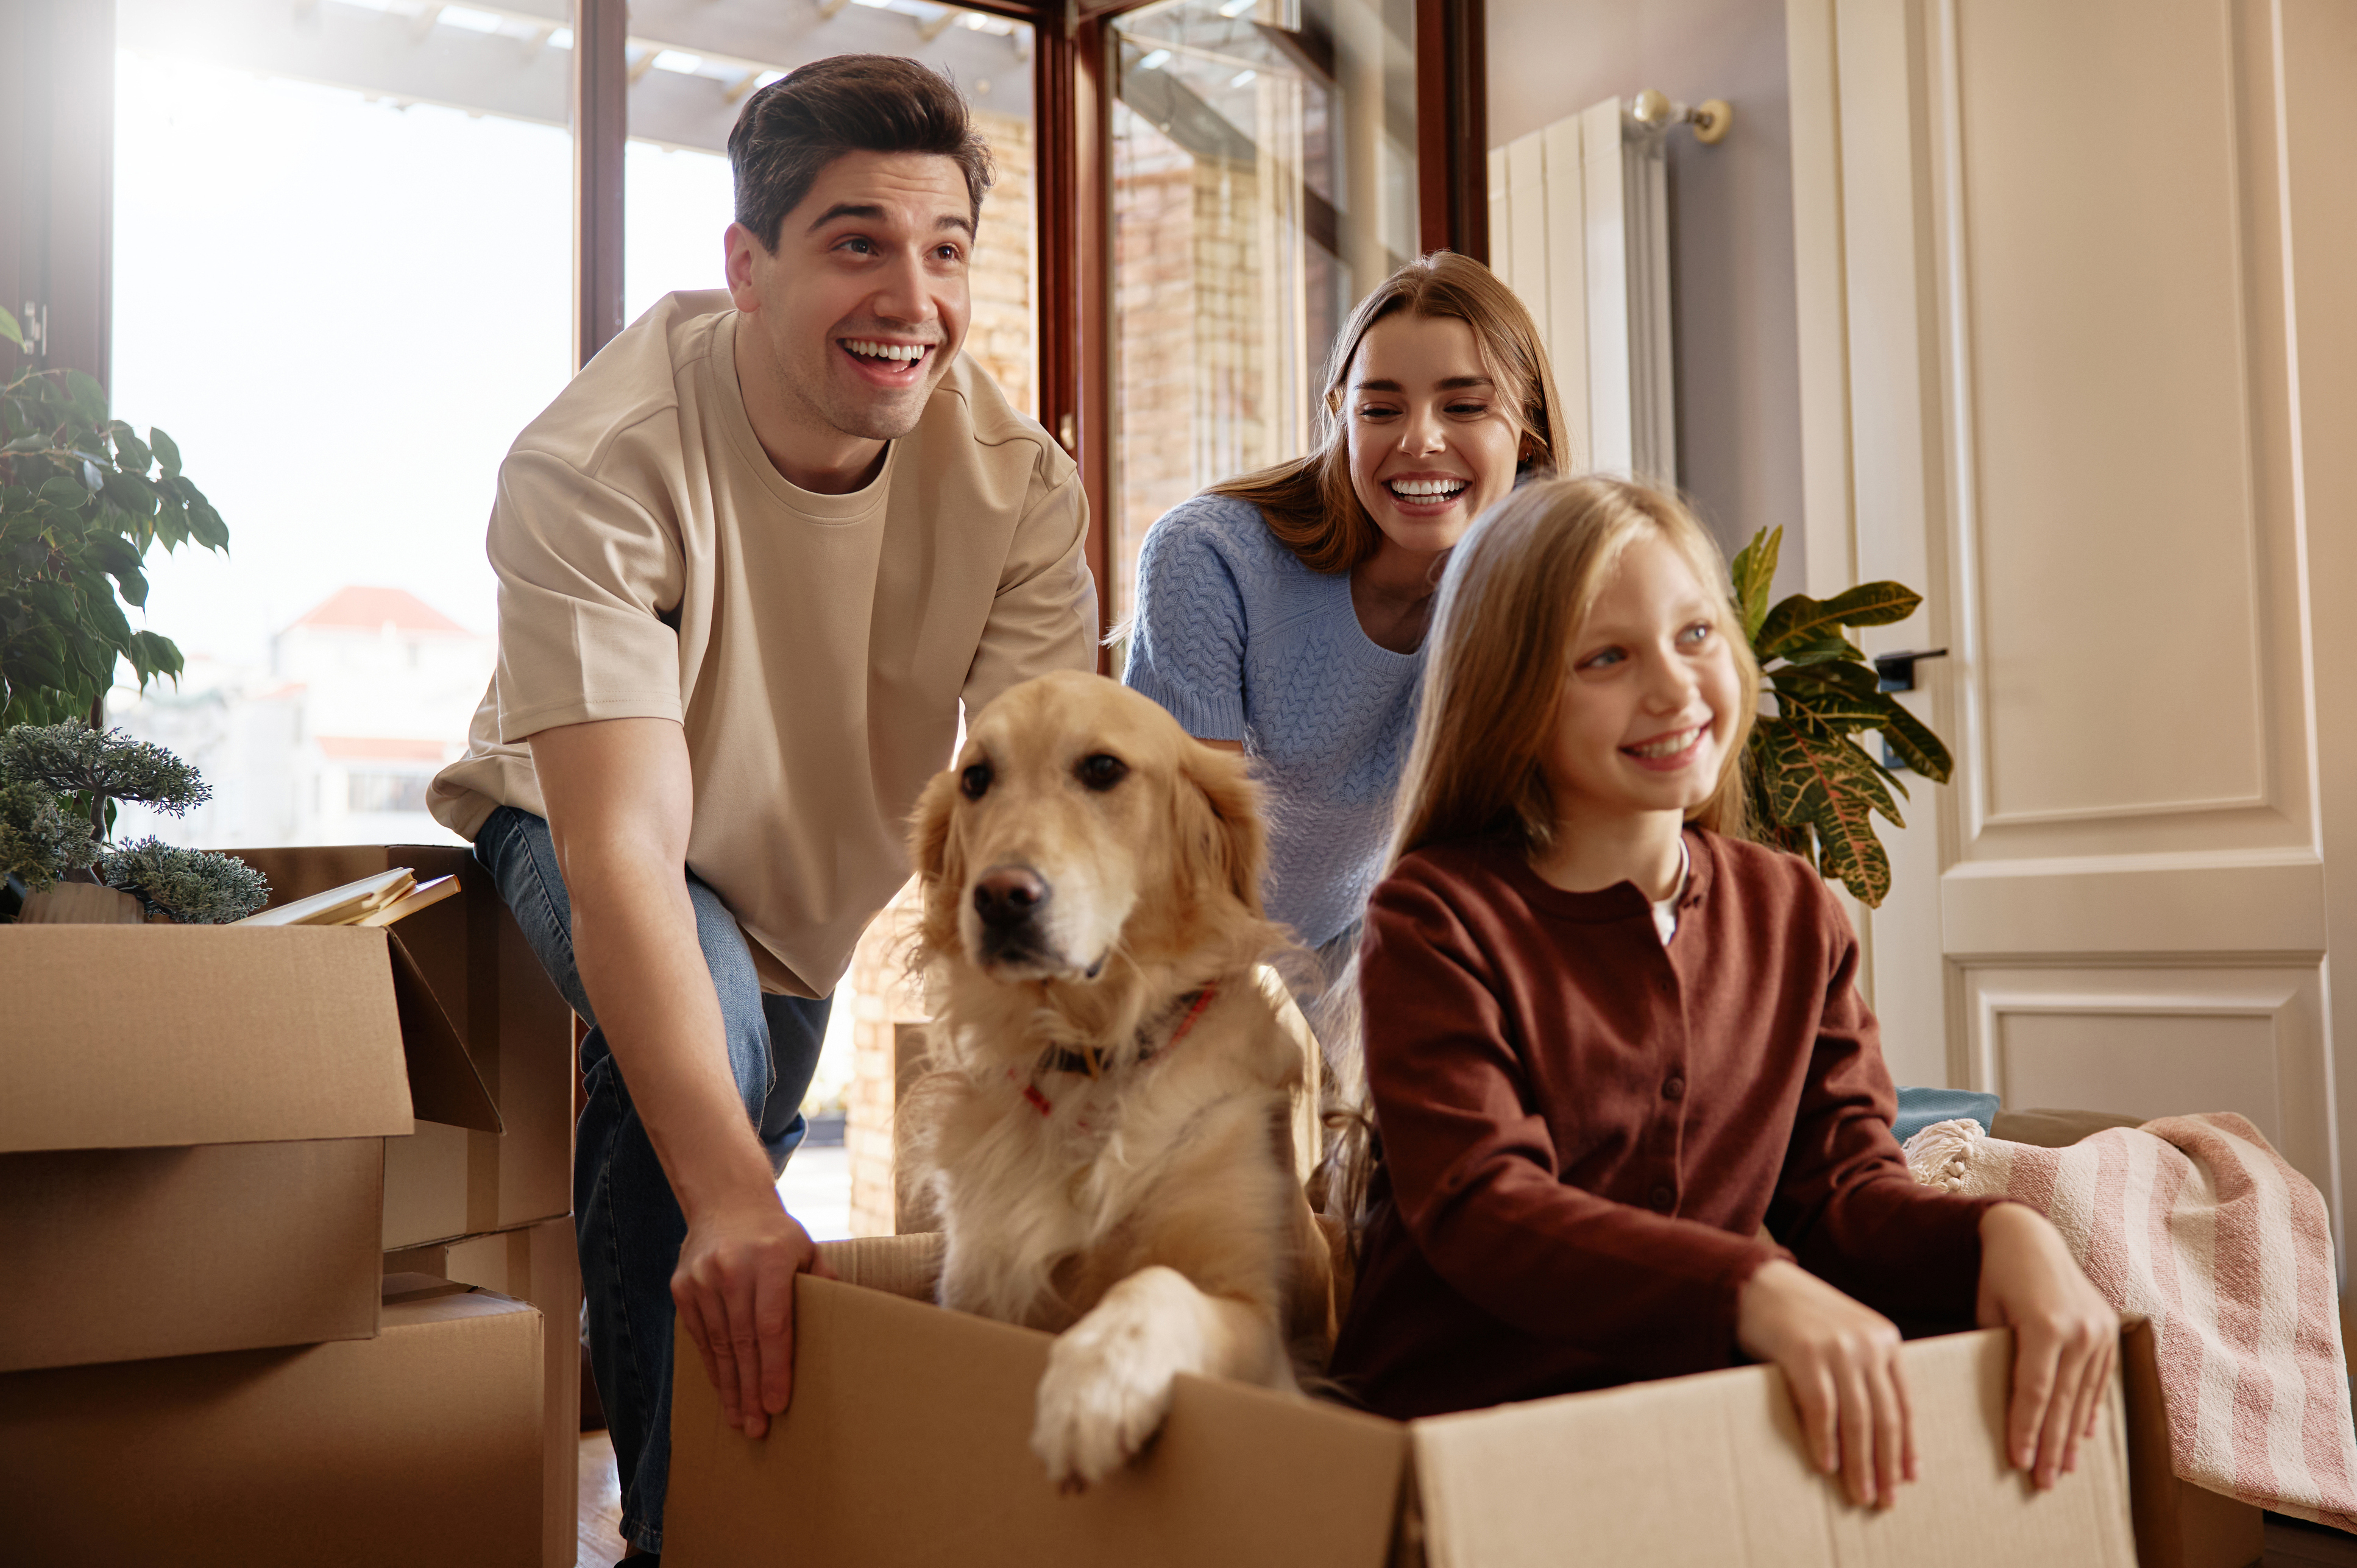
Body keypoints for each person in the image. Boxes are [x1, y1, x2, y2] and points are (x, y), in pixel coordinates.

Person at [426, 56, 1094, 1559]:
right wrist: (733, 1197)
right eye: (855, 243)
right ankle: (683, 1538)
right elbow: (624, 851)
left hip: (807, 878)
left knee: (732, 1130)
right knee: (715, 1120)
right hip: (580, 812)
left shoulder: (1017, 491)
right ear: (746, 264)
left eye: (942, 252)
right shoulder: (597, 464)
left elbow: (1045, 824)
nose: (908, 297)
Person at [1327, 476, 2116, 1508]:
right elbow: (1487, 1205)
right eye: (1606, 657)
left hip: (1700, 1446)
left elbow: (1842, 1194)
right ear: (1511, 696)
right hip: (1457, 1457)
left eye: (1695, 632)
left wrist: (2009, 1233)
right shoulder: (1434, 917)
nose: (1673, 688)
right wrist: (1752, 1285)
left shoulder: (1792, 910)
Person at [1119, 253, 1564, 1082]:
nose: (1419, 439)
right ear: (1340, 417)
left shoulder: (1532, 602)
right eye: (1380, 407)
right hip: (1158, 938)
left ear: (1526, 432)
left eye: (1465, 405)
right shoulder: (1208, 555)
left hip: (1347, 943)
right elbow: (1190, 867)